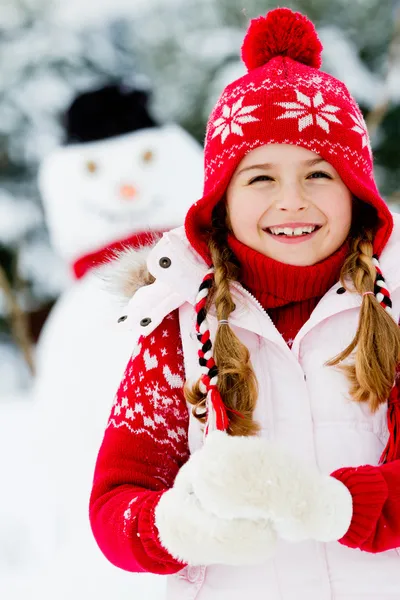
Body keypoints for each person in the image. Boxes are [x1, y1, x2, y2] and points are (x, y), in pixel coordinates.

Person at [89, 7, 400, 599]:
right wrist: (172, 525)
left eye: (319, 175)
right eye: (260, 178)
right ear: (221, 202)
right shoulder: (177, 328)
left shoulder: (393, 310)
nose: (292, 201)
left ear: (357, 192)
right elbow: (115, 503)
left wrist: (340, 507)